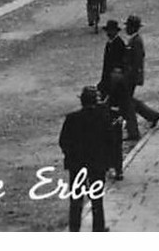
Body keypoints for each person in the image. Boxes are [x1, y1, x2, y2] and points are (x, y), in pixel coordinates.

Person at [59, 87, 112, 232]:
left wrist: (70, 155)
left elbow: (63, 141)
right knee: (97, 199)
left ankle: (74, 229)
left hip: (77, 164)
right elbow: (110, 141)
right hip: (97, 163)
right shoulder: (103, 118)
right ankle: (98, 227)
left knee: (76, 199)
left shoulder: (72, 118)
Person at [121, 15, 159, 140]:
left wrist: (129, 77)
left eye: (128, 26)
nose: (126, 29)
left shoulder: (136, 41)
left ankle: (133, 131)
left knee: (127, 103)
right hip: (131, 77)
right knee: (129, 101)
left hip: (131, 78)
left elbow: (136, 62)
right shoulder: (134, 40)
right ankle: (152, 115)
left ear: (133, 27)